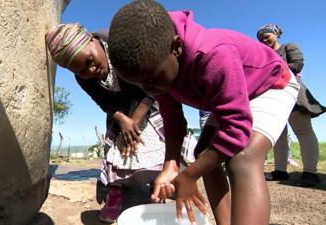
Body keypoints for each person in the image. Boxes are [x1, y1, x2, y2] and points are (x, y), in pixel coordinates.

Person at [107, 1, 299, 225]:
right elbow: (173, 121)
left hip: (271, 84)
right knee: (204, 155)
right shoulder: (157, 72)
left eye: (152, 81)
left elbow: (236, 129)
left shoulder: (213, 55)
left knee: (243, 158)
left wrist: (189, 175)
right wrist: (171, 165)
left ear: (176, 47)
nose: (150, 90)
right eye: (142, 86)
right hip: (237, 92)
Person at [45, 23, 196, 223]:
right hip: (119, 111)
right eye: (81, 71)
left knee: (155, 144)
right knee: (118, 151)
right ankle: (114, 193)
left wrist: (134, 121)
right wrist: (122, 119)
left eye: (90, 60)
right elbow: (102, 101)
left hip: (149, 100)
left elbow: (151, 87)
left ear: (91, 39)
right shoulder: (83, 78)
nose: (91, 70)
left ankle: (156, 191)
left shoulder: (123, 47)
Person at [257, 24, 325, 187]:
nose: (264, 39)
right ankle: (280, 170)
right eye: (260, 38)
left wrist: (268, 70)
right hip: (272, 98)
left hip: (293, 94)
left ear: (276, 33)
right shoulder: (262, 55)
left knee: (303, 131)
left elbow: (297, 64)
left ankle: (310, 172)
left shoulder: (289, 47)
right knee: (278, 136)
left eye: (266, 35)